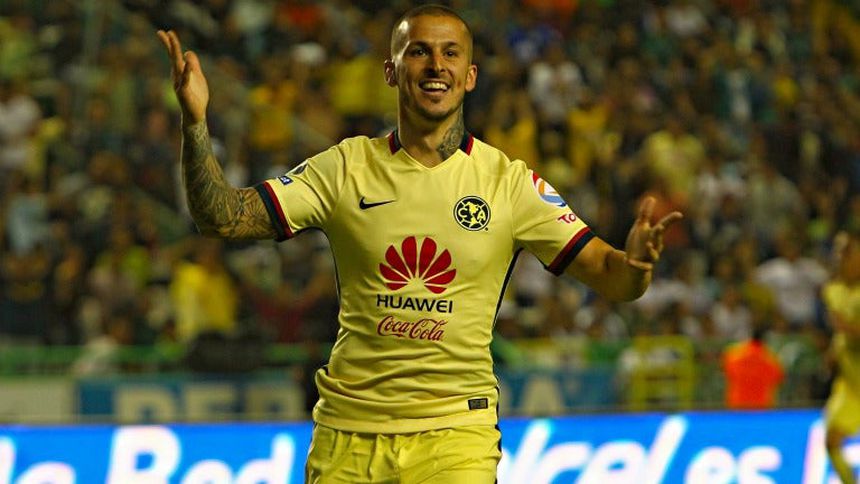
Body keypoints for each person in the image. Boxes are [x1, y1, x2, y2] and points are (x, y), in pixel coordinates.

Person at [157, 5, 682, 483]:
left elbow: (613, 276)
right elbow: (223, 218)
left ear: (470, 76)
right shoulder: (345, 167)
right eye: (419, 51)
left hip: (456, 437)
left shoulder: (509, 183)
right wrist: (195, 122)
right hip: (348, 435)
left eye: (451, 53)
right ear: (391, 71)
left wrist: (636, 263)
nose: (436, 65)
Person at [823, 229, 860, 484]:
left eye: (847, 251)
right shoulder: (832, 291)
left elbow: (845, 329)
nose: (841, 257)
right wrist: (834, 351)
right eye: (838, 250)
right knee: (831, 440)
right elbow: (840, 334)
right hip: (851, 385)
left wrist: (847, 329)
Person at [721, 325, 785, 409]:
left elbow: (726, 370)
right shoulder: (771, 360)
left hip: (737, 404)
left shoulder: (734, 355)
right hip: (761, 406)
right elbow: (778, 378)